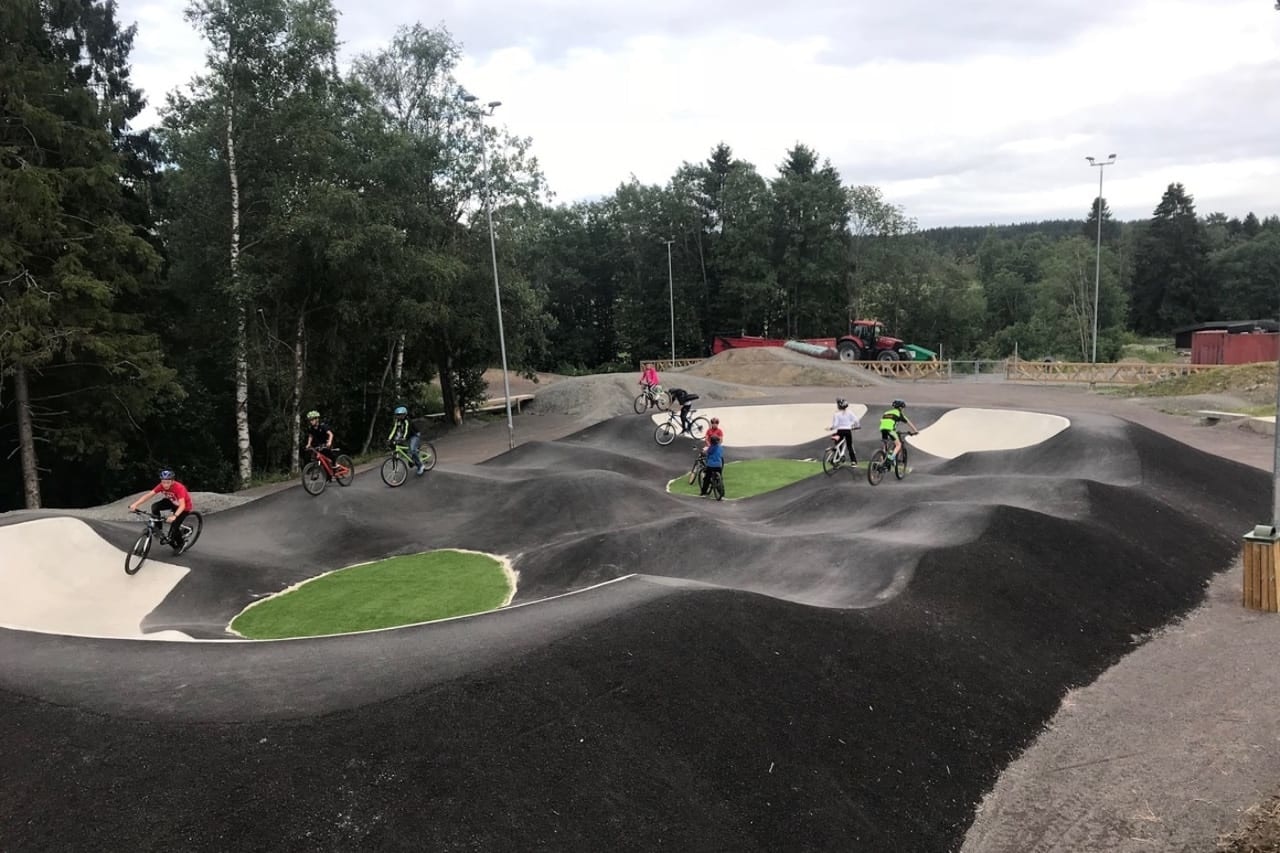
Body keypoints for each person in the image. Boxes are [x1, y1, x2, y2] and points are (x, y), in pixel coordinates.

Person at [127, 469, 194, 550]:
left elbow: (182, 505)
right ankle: (159, 528)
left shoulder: (179, 488)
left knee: (174, 529)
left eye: (167, 482)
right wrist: (135, 504)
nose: (165, 485)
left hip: (183, 508)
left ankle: (181, 544)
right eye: (163, 482)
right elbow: (149, 495)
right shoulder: (161, 485)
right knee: (155, 507)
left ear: (173, 481)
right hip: (172, 502)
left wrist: (175, 516)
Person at [387, 405, 425, 475]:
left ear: (404, 414)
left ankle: (420, 466)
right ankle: (412, 459)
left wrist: (404, 437)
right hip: (407, 436)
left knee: (412, 449)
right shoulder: (397, 421)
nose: (398, 416)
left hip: (414, 435)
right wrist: (389, 438)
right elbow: (394, 430)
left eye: (399, 415)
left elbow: (407, 430)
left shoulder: (407, 420)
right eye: (397, 415)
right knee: (404, 449)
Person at [827, 398, 861, 465]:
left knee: (839, 445)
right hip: (847, 431)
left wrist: (831, 428)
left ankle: (836, 457)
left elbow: (835, 425)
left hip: (840, 431)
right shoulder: (849, 413)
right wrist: (857, 426)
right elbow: (856, 420)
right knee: (849, 446)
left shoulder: (836, 414)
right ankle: (853, 461)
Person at [304, 410, 337, 475]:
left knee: (329, 453)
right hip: (319, 444)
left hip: (327, 443)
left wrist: (329, 442)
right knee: (316, 456)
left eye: (312, 420)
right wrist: (308, 444)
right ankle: (327, 475)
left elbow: (331, 434)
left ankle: (335, 464)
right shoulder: (311, 428)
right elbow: (310, 436)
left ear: (317, 419)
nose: (311, 422)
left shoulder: (323, 426)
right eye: (310, 420)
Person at [700, 433, 725, 497]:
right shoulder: (720, 448)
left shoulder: (710, 448)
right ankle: (721, 492)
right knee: (719, 478)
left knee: (707, 478)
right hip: (719, 465)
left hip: (711, 466)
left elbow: (707, 454)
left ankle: (703, 492)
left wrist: (703, 453)